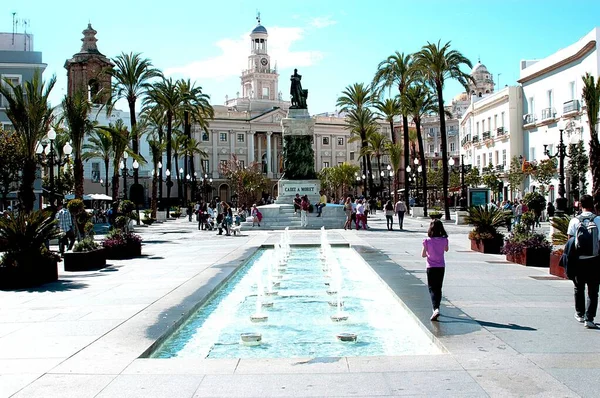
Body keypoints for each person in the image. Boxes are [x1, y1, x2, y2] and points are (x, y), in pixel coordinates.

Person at [567, 194, 600, 329]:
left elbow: (569, 240)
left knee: (578, 287)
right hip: (595, 260)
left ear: (580, 205)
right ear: (593, 204)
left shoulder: (575, 221)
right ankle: (589, 318)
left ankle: (580, 314)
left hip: (579, 261)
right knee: (593, 290)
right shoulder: (598, 220)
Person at [421, 219, 449, 321]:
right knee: (439, 287)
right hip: (441, 266)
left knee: (432, 288)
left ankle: (435, 308)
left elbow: (423, 255)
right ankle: (437, 307)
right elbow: (446, 249)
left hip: (430, 267)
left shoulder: (427, 241)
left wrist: (428, 253)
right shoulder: (444, 240)